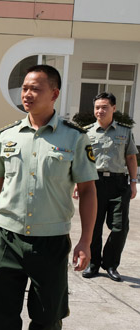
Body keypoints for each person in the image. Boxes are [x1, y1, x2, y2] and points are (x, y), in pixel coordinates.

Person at [0, 65, 98, 330]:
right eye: (25, 88)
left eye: (35, 89)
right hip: (6, 238)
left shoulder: (74, 137)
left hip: (50, 243)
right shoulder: (8, 135)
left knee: (47, 318)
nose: (27, 94)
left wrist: (86, 241)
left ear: (54, 94)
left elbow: (87, 191)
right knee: (2, 316)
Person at [78, 92, 138, 282]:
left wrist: (133, 182)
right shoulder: (86, 132)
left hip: (118, 183)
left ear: (114, 108)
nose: (100, 111)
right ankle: (94, 264)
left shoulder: (125, 131)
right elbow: (80, 161)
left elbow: (130, 157)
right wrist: (77, 184)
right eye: (97, 107)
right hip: (93, 183)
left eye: (104, 107)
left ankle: (111, 264)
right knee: (93, 227)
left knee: (120, 227)